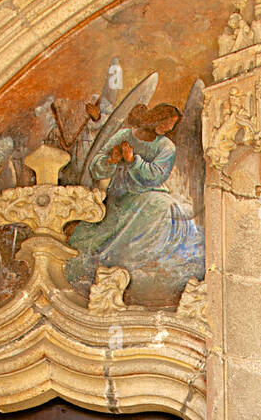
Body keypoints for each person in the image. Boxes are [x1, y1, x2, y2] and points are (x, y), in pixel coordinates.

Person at [65, 102, 204, 289]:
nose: (169, 128)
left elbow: (155, 177)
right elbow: (95, 167)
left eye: (172, 125)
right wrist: (111, 160)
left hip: (150, 193)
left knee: (166, 208)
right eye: (167, 122)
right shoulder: (124, 136)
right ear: (156, 117)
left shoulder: (167, 147)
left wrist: (133, 161)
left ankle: (151, 261)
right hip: (120, 196)